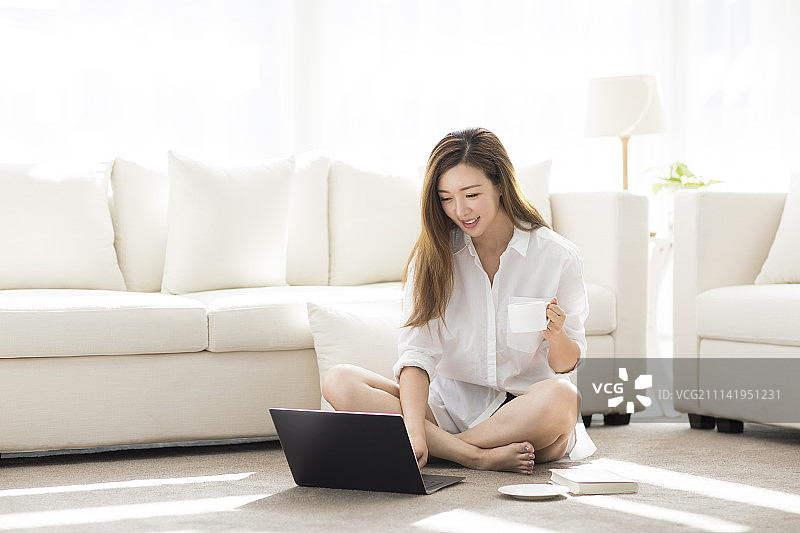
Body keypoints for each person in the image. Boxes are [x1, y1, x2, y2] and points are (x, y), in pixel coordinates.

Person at [322, 127, 595, 474]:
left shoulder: (557, 256)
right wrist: (414, 428)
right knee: (339, 381)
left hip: (524, 414)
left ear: (500, 185)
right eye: (446, 198)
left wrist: (557, 336)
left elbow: (567, 364)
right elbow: (416, 355)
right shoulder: (433, 257)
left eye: (471, 194)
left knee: (563, 397)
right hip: (448, 411)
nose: (460, 210)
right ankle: (473, 455)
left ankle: (443, 448)